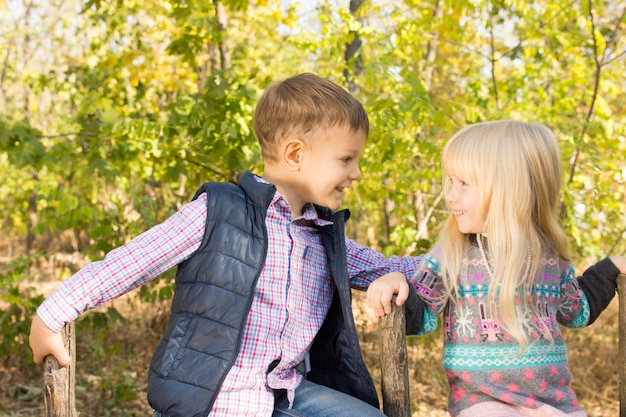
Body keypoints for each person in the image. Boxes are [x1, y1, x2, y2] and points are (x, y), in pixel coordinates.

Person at [29, 72, 425, 417]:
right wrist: (53, 313)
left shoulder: (322, 233)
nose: (356, 173)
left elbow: (407, 269)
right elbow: (134, 261)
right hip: (213, 400)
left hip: (284, 393)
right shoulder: (216, 212)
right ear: (294, 154)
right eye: (346, 159)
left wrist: (458, 252)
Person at [368, 120, 626, 417]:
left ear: (510, 190)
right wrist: (396, 281)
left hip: (552, 403)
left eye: (463, 183)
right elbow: (420, 315)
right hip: (483, 403)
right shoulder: (452, 255)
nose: (451, 195)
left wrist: (610, 268)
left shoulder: (549, 258)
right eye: (451, 182)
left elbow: (577, 310)